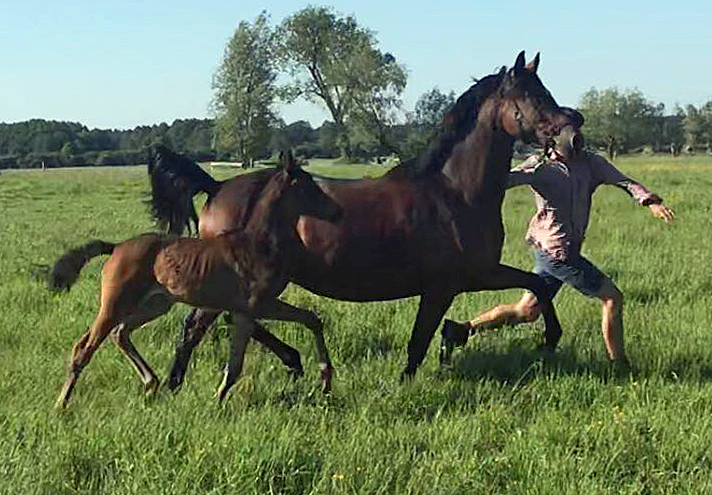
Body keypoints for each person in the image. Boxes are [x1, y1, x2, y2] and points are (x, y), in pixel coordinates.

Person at [440, 124, 675, 365]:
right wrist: (471, 175)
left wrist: (650, 202)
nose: (575, 142)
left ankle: (460, 331)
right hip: (556, 252)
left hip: (560, 250)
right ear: (551, 142)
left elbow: (624, 181)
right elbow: (502, 182)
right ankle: (619, 365)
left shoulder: (591, 163)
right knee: (612, 298)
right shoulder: (540, 166)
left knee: (526, 311)